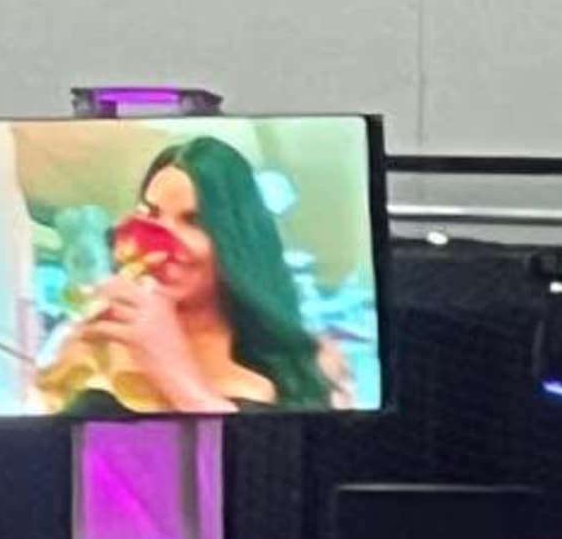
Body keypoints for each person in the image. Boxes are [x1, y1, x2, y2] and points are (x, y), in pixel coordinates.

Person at [41, 134, 344, 414]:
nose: (162, 238)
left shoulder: (295, 370)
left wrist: (175, 374)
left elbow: (268, 455)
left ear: (235, 239)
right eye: (151, 214)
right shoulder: (98, 345)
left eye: (193, 221)